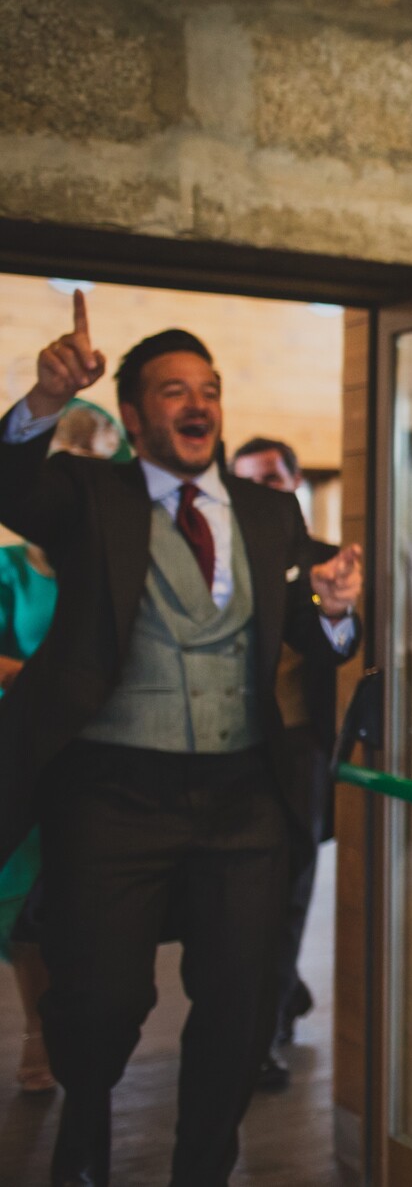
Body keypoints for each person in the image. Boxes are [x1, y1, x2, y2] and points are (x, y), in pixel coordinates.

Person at [0, 296, 363, 1187]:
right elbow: (8, 484)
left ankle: (205, 1166)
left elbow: (316, 634)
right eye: (172, 391)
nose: (197, 405)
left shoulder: (266, 513)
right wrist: (43, 400)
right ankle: (85, 1119)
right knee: (101, 1002)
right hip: (112, 793)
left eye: (209, 389)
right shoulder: (91, 498)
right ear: (132, 414)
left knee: (242, 1007)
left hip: (244, 799)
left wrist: (339, 611)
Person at [0, 402, 130, 1095]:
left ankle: (85, 1032)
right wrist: (44, 678)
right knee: (25, 897)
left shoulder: (111, 564)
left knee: (89, 895)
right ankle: (34, 1028)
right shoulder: (9, 569)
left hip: (103, 749)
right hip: (29, 743)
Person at [229, 436, 340, 1093]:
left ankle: (267, 1027)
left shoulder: (326, 561)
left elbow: (347, 640)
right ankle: (278, 994)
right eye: (249, 481)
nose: (264, 491)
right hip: (232, 749)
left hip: (300, 747)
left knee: (291, 891)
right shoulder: (219, 559)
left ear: (295, 480)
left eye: (272, 477)